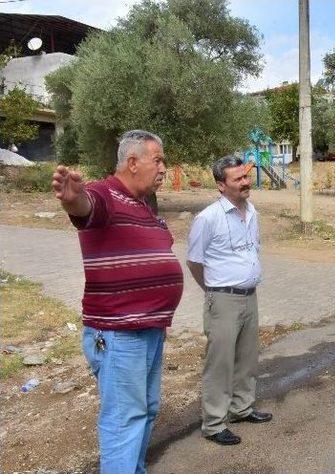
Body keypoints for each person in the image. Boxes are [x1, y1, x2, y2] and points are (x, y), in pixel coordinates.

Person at [51, 130, 184, 473]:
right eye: (158, 160)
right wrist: (71, 199)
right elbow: (85, 207)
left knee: (146, 410)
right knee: (125, 419)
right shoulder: (103, 194)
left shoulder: (142, 205)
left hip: (149, 330)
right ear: (132, 162)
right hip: (119, 333)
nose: (163, 168)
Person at [187, 156, 271, 446]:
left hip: (250, 297)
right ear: (222, 186)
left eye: (246, 177)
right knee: (220, 363)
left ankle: (241, 408)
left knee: (247, 358)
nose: (246, 183)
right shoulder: (208, 218)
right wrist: (213, 292)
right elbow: (195, 262)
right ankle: (213, 423)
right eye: (238, 179)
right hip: (222, 299)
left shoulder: (252, 212)